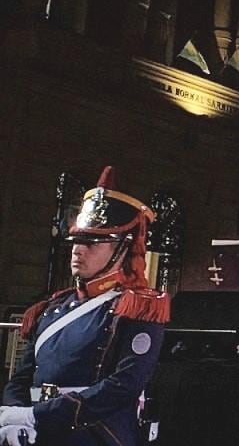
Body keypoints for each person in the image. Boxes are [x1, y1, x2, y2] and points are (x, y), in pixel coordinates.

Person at [2, 166, 170, 446]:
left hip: (93, 433)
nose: (78, 250)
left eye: (92, 242)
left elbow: (123, 387)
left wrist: (37, 416)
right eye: (76, 241)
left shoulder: (138, 307)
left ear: (122, 249)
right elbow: (22, 375)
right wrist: (12, 413)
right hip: (32, 433)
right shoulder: (53, 306)